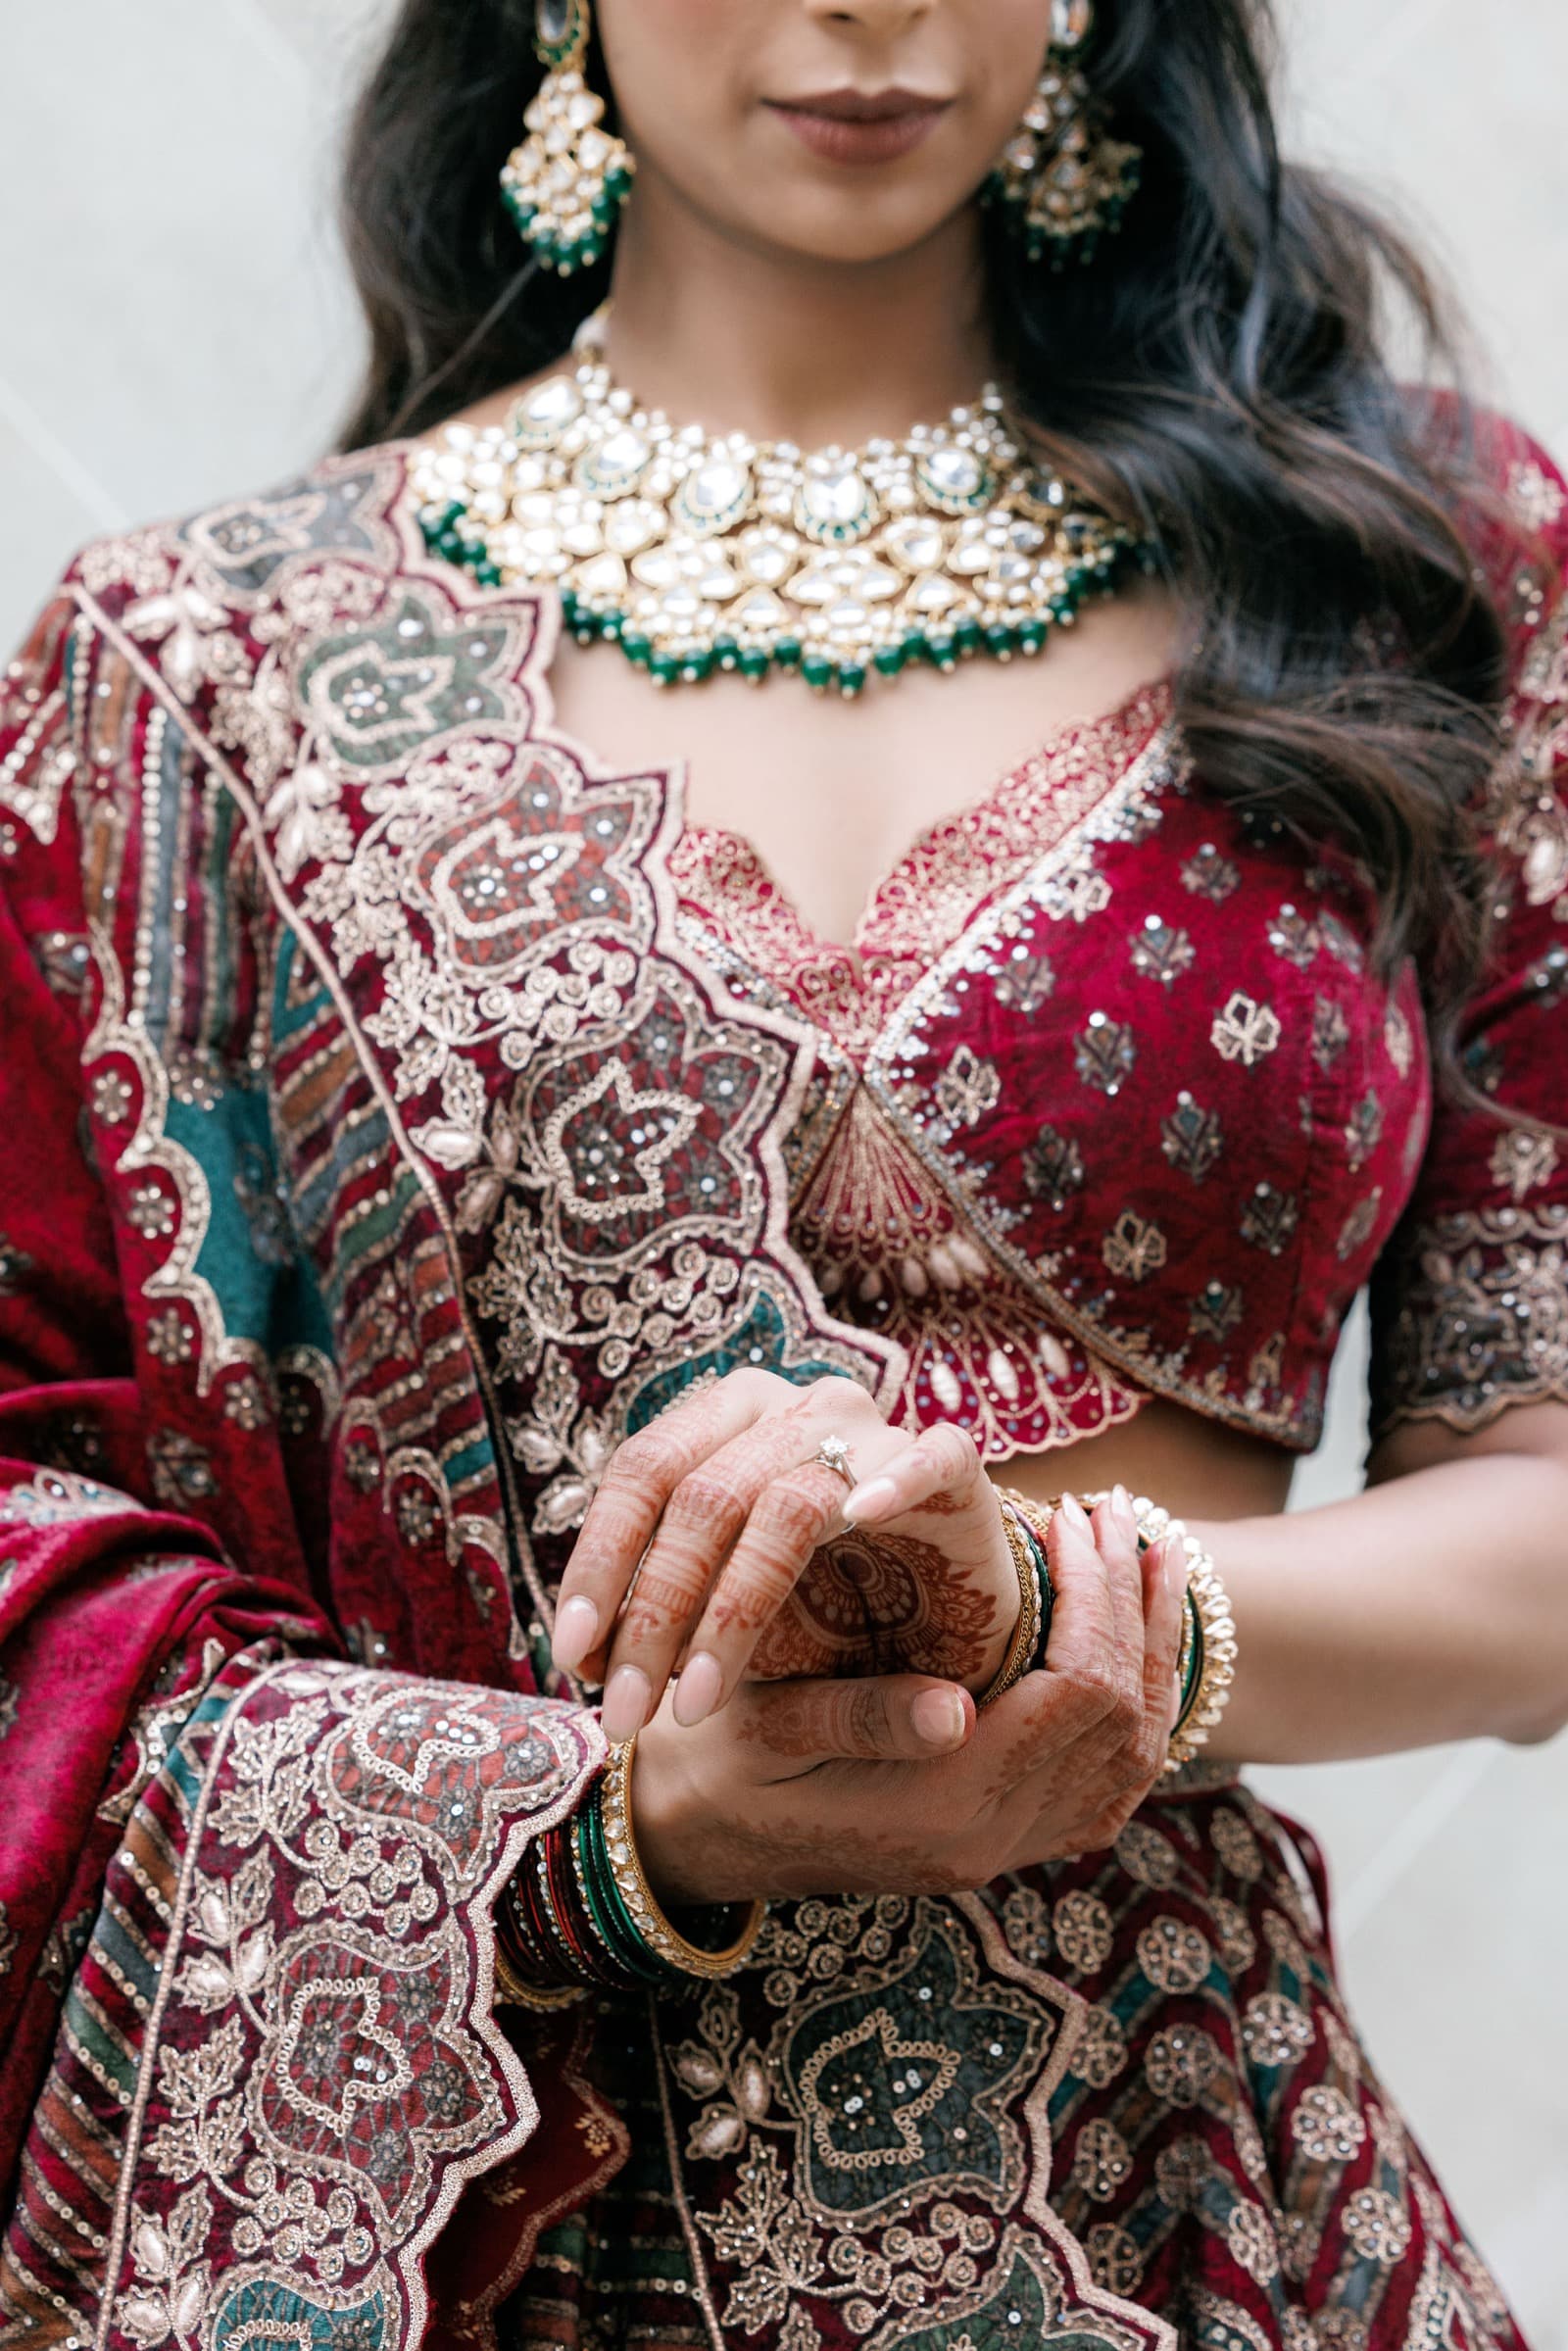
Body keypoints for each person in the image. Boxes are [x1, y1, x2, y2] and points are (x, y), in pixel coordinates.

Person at [1, 1, 1564, 2345]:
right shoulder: (200, 678)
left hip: (1189, 2210)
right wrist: (612, 1834)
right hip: (487, 2217)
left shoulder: (1406, 570)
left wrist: (1067, 1619)